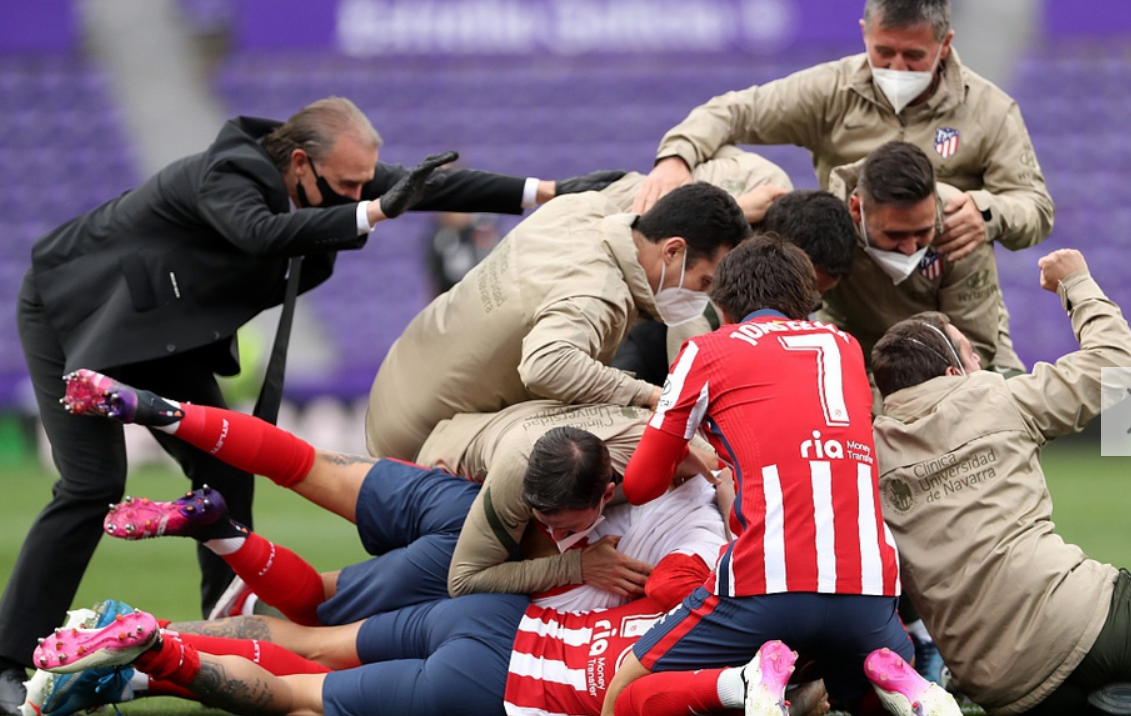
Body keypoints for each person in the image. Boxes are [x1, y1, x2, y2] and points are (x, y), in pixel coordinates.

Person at [0, 95, 627, 715]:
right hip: (79, 316)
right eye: (348, 184)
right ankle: (7, 661)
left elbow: (430, 188)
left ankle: (223, 630)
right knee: (93, 483)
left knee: (225, 469)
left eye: (363, 184)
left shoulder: (333, 175)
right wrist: (377, 210)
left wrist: (548, 190)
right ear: (299, 163)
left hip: (164, 338)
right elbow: (260, 232)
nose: (358, 192)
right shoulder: (229, 173)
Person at [598, 236, 960, 715]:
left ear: (722, 307)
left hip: (766, 583)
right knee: (858, 690)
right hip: (869, 591)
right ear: (807, 304)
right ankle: (901, 689)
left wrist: (686, 448)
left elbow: (642, 484)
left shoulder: (705, 350)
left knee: (625, 695)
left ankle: (743, 684)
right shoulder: (846, 347)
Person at [59, 370, 724, 624]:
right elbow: (467, 578)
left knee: (306, 463)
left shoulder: (652, 444)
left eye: (561, 523)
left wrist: (712, 471)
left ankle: (158, 408)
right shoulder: (590, 487)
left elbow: (687, 440)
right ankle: (215, 529)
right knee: (313, 608)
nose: (555, 529)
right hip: (467, 542)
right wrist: (573, 563)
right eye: (549, 521)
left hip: (444, 478)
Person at [632, 0, 1052, 380]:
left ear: (945, 44)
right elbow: (731, 112)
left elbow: (1035, 207)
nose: (898, 68)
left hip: (949, 299)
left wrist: (985, 212)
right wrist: (676, 159)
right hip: (851, 303)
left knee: (989, 420)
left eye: (914, 55)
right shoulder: (833, 90)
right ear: (865, 33)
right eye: (884, 52)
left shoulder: (990, 110)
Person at [870, 248, 1131, 715]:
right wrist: (1077, 283)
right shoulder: (993, 396)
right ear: (954, 372)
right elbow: (1116, 364)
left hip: (1000, 688)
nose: (982, 367)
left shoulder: (869, 454)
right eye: (973, 356)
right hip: (1082, 623)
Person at [363, 182, 754, 460]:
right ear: (672, 250)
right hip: (419, 441)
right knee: (621, 427)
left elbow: (638, 186)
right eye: (704, 281)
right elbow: (545, 365)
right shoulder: (598, 294)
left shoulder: (583, 209)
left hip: (402, 380)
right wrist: (652, 396)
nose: (702, 296)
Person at [821, 141, 1009, 374]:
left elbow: (974, 343)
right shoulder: (825, 229)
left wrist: (908, 396)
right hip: (857, 361)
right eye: (895, 234)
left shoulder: (960, 223)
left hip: (950, 361)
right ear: (857, 210)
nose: (910, 248)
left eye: (922, 232)